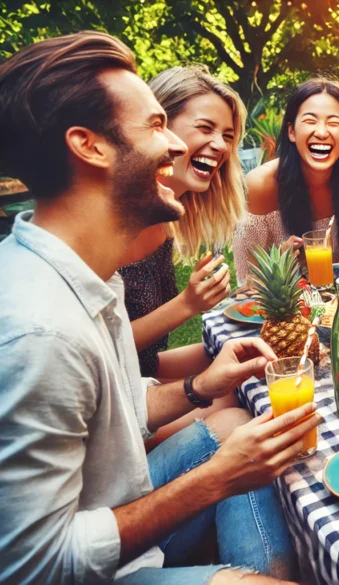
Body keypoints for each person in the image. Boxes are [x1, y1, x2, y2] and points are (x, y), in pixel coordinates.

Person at [0, 31, 320, 584]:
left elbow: (126, 405)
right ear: (90, 145)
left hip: (127, 512)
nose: (174, 146)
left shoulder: (90, 277)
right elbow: (35, 566)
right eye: (154, 125)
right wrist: (215, 478)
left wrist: (201, 384)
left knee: (241, 425)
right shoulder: (39, 331)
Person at [120, 66, 246, 445]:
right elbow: (99, 346)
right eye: (205, 128)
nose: (222, 147)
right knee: (243, 410)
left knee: (244, 372)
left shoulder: (166, 216)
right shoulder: (117, 221)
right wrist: (186, 305)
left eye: (227, 136)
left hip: (139, 370)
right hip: (114, 400)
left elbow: (141, 356)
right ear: (161, 126)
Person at [235, 78, 339, 286]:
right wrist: (280, 263)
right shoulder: (261, 186)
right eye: (310, 121)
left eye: (333, 123)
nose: (322, 133)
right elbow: (246, 284)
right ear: (291, 132)